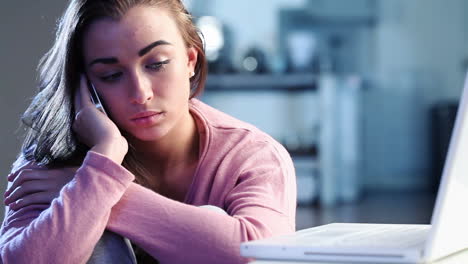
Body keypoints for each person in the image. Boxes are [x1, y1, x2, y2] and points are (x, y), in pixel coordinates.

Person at [0, 0, 297, 263]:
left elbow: (257, 255)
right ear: (85, 85)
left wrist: (100, 190)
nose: (140, 93)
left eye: (157, 64)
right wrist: (103, 159)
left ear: (190, 61)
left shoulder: (253, 157)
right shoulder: (55, 155)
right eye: (111, 75)